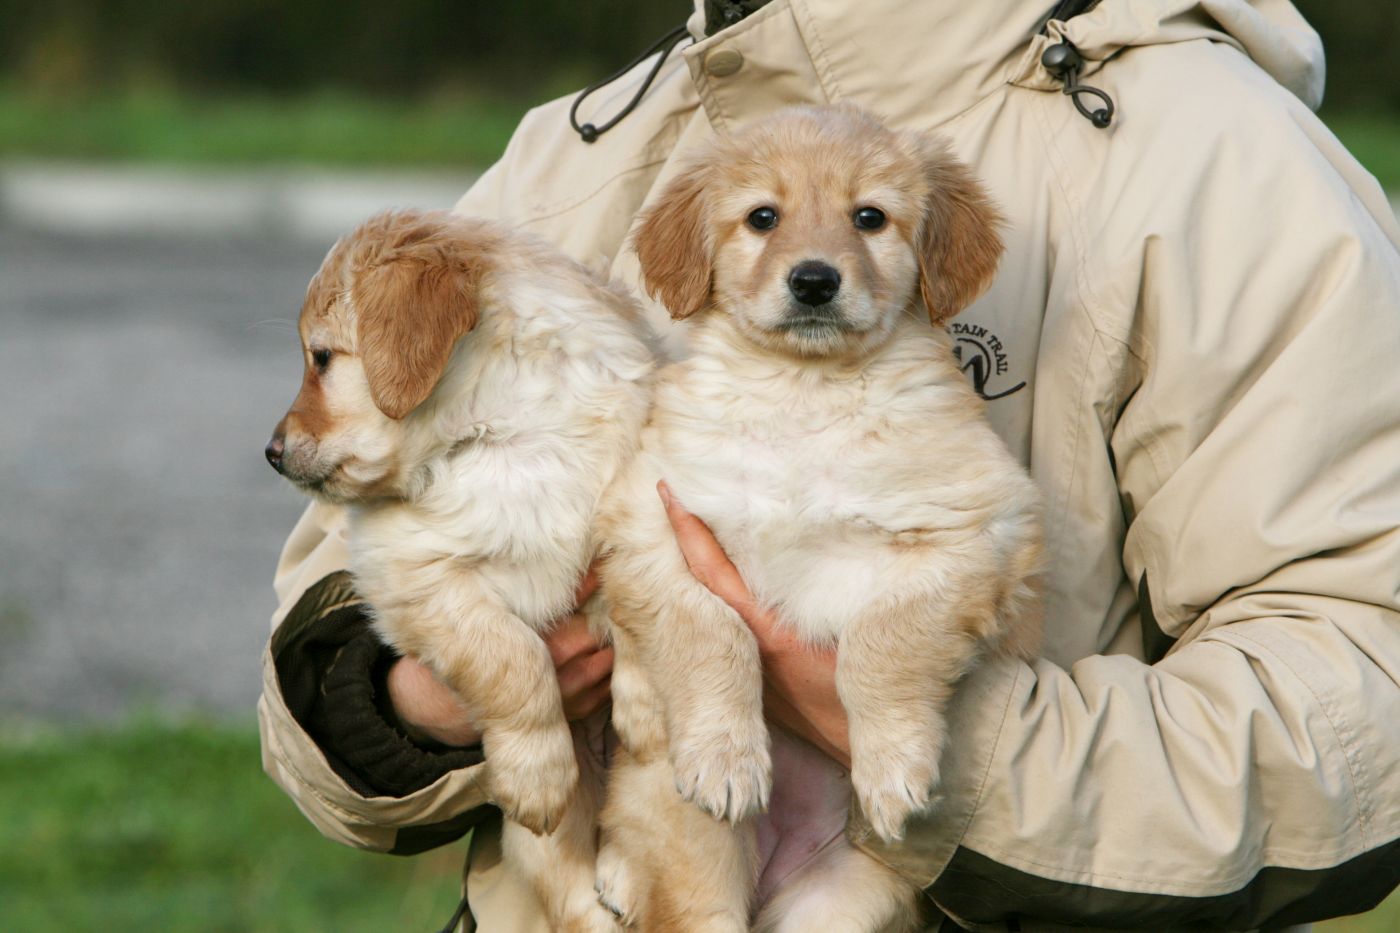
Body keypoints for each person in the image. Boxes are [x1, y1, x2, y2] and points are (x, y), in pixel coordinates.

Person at [257, 0, 1400, 929]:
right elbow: (329, 614)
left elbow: (1361, 703)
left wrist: (911, 731)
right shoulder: (573, 152)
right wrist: (437, 698)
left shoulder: (1205, 150)